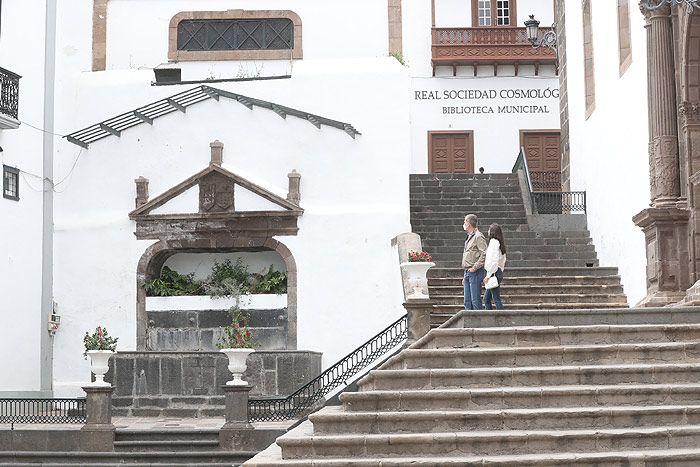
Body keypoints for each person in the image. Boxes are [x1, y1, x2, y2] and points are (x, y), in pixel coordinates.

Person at [461, 214, 487, 310]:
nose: (464, 224)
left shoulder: (478, 236)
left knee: (475, 300)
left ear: (469, 223)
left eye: (465, 222)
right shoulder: (469, 236)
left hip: (474, 271)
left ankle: (478, 322)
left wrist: (475, 267)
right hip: (467, 271)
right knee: (467, 301)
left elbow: (484, 253)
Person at [483, 223, 507, 310]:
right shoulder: (500, 243)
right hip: (498, 271)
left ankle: (500, 319)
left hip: (494, 273)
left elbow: (492, 260)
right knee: (487, 299)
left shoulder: (493, 243)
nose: (488, 231)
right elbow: (501, 260)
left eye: (489, 229)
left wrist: (488, 275)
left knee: (494, 299)